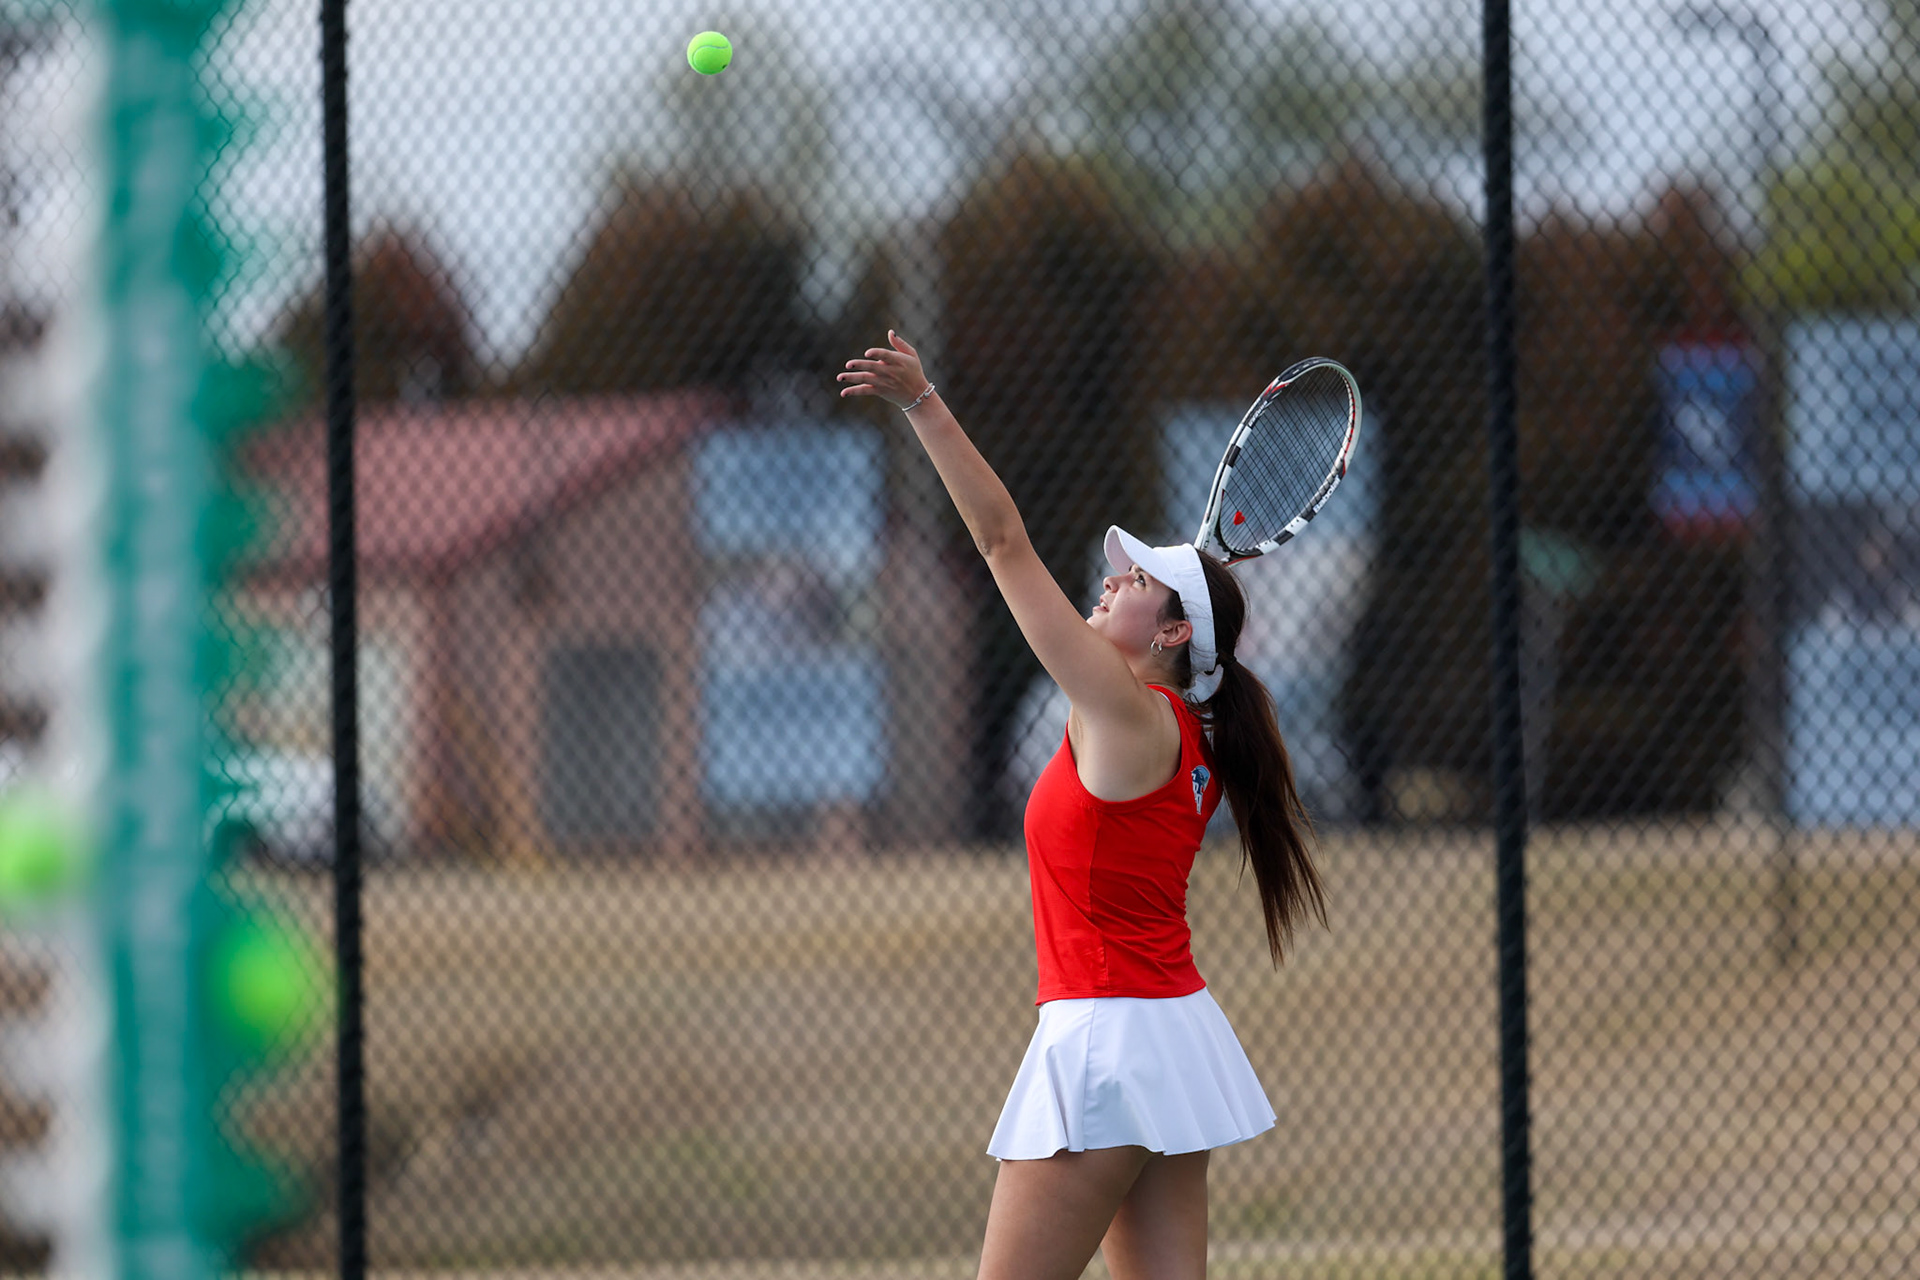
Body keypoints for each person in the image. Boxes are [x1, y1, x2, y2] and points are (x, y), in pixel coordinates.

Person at [839, 332, 1328, 1280]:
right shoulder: (1188, 738)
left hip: (1108, 1043)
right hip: (1164, 1035)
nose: (1112, 580)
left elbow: (999, 542)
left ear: (1174, 633)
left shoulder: (1127, 713)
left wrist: (923, 403)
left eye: (1137, 579)